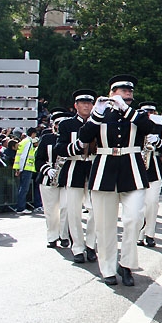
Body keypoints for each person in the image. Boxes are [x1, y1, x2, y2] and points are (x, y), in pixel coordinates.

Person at [78, 75, 157, 286]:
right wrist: (96, 113)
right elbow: (84, 136)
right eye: (121, 90)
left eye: (129, 90)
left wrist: (127, 109)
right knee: (105, 225)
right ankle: (108, 268)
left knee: (134, 219)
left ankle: (127, 264)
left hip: (133, 170)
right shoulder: (101, 114)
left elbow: (150, 129)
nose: (127, 92)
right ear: (112, 93)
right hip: (104, 169)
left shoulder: (138, 115)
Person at [55, 89, 98, 261]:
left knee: (96, 210)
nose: (86, 106)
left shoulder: (99, 124)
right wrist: (77, 146)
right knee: (73, 211)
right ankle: (78, 247)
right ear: (76, 106)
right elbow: (60, 147)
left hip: (94, 167)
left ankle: (91, 244)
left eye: (89, 103)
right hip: (74, 167)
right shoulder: (67, 125)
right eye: (83, 103)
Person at [36, 108, 73, 248]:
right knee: (51, 210)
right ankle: (52, 236)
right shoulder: (46, 138)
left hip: (67, 178)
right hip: (48, 178)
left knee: (66, 208)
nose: (59, 126)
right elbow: (38, 159)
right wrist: (47, 169)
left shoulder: (71, 138)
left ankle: (64, 236)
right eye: (57, 123)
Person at [136, 102, 162, 249]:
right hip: (137, 168)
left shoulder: (159, 127)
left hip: (154, 168)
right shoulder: (136, 125)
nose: (149, 115)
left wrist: (158, 141)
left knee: (152, 203)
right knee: (139, 205)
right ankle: (139, 234)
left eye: (152, 112)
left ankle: (150, 234)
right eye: (146, 112)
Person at [12, 127, 37, 214]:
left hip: (22, 168)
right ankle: (21, 208)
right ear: (33, 134)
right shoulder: (28, 142)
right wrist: (21, 168)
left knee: (22, 188)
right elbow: (24, 156)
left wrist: (18, 168)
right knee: (24, 188)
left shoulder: (23, 141)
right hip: (26, 168)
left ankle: (20, 207)